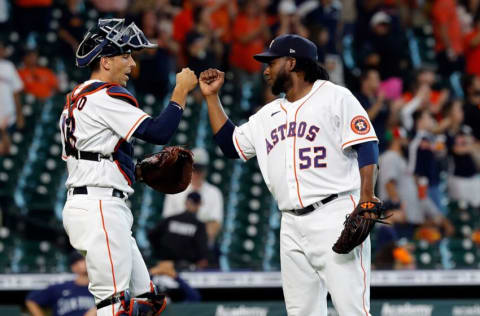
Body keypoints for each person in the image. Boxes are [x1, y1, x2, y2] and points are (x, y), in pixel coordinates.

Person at [199, 34, 381, 316]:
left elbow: (366, 144)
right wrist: (212, 98)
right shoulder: (268, 114)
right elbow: (231, 146)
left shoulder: (335, 96)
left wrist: (367, 196)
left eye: (272, 62)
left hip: (334, 214)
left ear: (293, 63)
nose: (266, 69)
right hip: (290, 224)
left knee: (352, 310)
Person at [59, 18, 198, 316]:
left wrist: (133, 170)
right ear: (105, 61)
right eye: (125, 55)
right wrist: (181, 91)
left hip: (96, 203)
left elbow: (95, 155)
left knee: (146, 301)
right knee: (114, 307)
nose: (132, 63)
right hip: (100, 206)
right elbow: (159, 133)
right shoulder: (104, 95)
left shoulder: (76, 98)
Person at [162, 147, 224, 248]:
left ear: (205, 170)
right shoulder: (175, 189)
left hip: (201, 249)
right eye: (193, 168)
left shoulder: (214, 193)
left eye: (200, 169)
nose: (196, 173)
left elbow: (214, 227)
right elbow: (167, 223)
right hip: (176, 247)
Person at [149, 192, 209, 270]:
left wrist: (158, 254)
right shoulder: (199, 225)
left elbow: (152, 235)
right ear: (199, 205)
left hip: (163, 265)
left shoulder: (170, 219)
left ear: (186, 202)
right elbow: (202, 250)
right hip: (185, 268)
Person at [25, 252, 96, 316]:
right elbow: (31, 300)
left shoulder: (99, 289)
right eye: (83, 260)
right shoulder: (61, 288)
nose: (87, 262)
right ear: (74, 267)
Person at [0, 40, 24, 131]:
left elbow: (16, 92)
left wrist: (20, 115)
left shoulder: (8, 66)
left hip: (9, 115)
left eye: (1, 48)